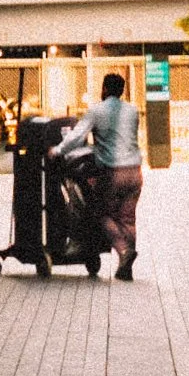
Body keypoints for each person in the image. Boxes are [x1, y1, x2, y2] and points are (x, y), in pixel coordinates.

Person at [52, 72, 143, 280]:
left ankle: (124, 251)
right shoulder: (133, 111)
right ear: (122, 90)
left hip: (113, 173)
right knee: (128, 219)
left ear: (103, 89)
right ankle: (125, 267)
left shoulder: (97, 110)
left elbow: (76, 137)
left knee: (100, 213)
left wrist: (57, 150)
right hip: (135, 173)